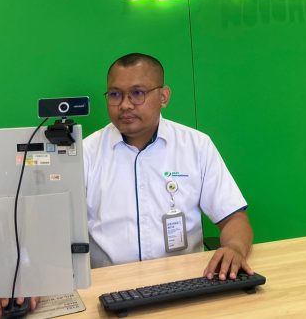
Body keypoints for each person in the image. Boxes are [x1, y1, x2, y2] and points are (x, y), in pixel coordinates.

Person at [84, 52, 254, 280]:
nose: (124, 105)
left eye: (137, 93)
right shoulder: (86, 153)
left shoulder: (196, 145)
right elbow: (56, 231)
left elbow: (233, 218)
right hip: (110, 285)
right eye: (115, 94)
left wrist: (234, 248)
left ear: (163, 97)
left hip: (185, 281)